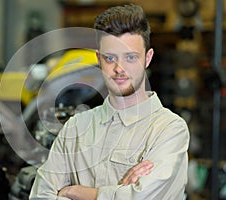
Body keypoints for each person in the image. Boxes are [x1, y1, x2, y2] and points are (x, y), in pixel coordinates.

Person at [29, 3, 190, 200]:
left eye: (131, 57)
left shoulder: (169, 130)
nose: (119, 69)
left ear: (148, 58)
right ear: (99, 59)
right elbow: (40, 196)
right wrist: (120, 194)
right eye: (110, 58)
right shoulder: (76, 128)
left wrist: (78, 192)